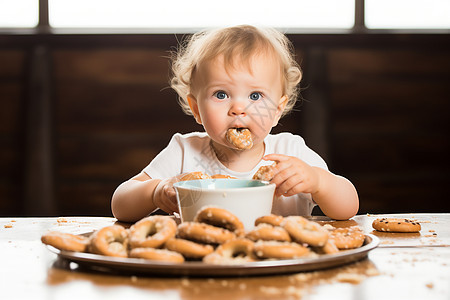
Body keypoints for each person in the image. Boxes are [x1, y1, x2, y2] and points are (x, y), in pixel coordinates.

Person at [111, 25, 359, 222]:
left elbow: (348, 207)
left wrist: (318, 182)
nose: (238, 108)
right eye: (221, 94)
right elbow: (120, 205)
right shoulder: (185, 151)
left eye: (255, 96)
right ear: (197, 109)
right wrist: (155, 192)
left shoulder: (290, 152)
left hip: (281, 273)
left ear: (276, 110)